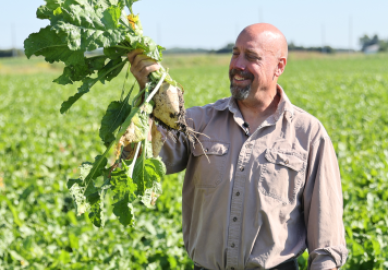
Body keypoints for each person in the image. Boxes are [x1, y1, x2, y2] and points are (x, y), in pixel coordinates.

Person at [126, 23, 348, 270]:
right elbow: (145, 159)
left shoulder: (307, 134)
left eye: (251, 57)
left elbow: (327, 244)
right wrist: (151, 93)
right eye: (235, 53)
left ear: (279, 66)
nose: (238, 65)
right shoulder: (198, 122)